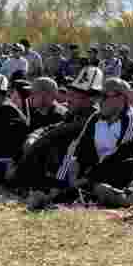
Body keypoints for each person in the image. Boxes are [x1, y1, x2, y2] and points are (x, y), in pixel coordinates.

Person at [15, 67, 103, 207]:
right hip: (63, 172)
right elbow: (54, 128)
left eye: (74, 95)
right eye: (70, 94)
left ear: (91, 99)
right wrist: (34, 136)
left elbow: (60, 136)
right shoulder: (75, 113)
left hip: (77, 176)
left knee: (49, 146)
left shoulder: (92, 118)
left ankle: (42, 190)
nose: (69, 99)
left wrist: (53, 191)